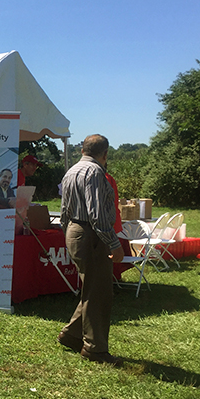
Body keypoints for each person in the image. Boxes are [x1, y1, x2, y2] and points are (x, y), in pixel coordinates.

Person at [57, 134, 125, 366]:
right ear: (104, 153)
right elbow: (96, 213)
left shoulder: (72, 171)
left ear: (82, 150)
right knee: (100, 292)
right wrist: (114, 243)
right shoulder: (95, 173)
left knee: (92, 287)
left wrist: (69, 233)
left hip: (75, 230)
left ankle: (72, 334)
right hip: (91, 234)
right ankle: (95, 348)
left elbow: (64, 209)